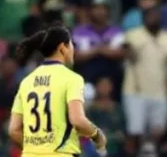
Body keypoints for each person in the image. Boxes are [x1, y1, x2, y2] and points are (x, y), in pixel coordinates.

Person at [8, 23, 109, 155]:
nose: (74, 50)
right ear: (63, 47)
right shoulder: (71, 78)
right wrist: (97, 135)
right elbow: (77, 120)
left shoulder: (27, 81)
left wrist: (37, 149)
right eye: (72, 45)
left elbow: (13, 130)